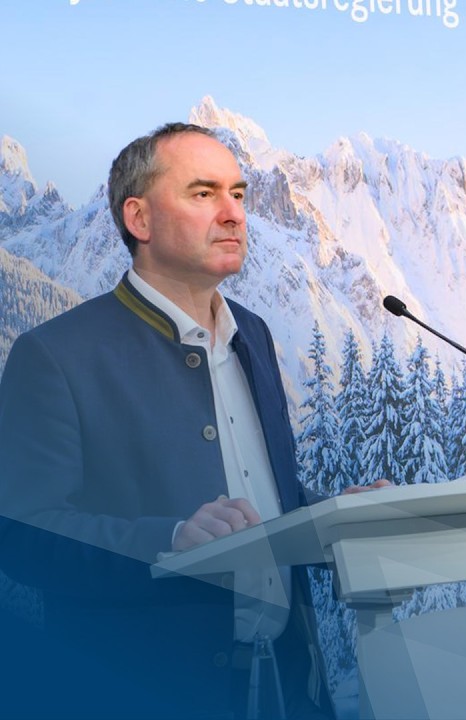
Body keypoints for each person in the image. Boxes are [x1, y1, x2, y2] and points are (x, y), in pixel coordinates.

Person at [0, 123, 385, 718]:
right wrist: (170, 542)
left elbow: (259, 492)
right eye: (204, 194)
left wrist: (336, 515)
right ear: (140, 219)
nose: (232, 213)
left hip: (288, 687)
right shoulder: (55, 355)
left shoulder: (252, 335)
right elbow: (24, 535)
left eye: (238, 193)